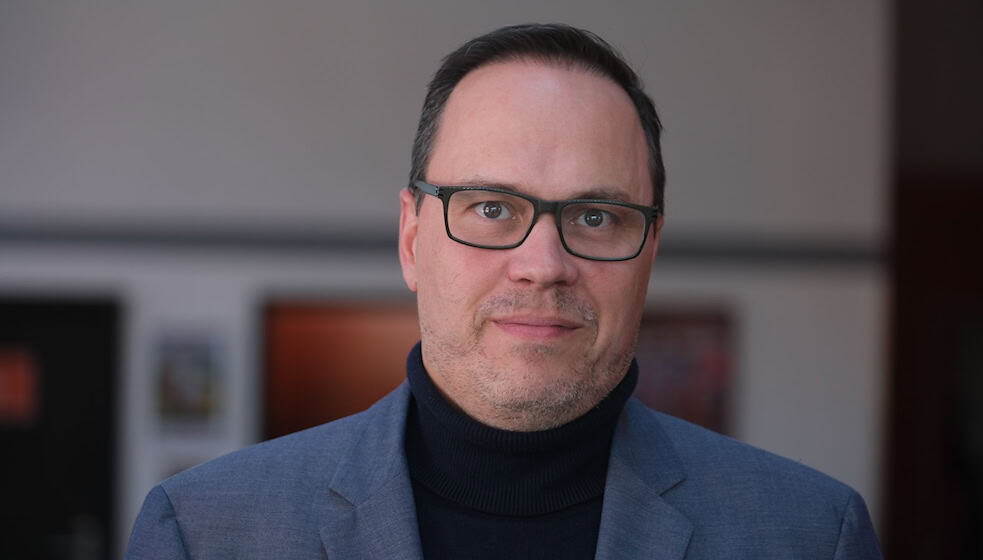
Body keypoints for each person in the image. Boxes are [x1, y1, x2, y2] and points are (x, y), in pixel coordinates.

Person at [127, 23, 882, 559]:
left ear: (651, 247)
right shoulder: (206, 532)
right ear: (411, 237)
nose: (543, 263)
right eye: (492, 208)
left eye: (596, 215)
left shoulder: (809, 535)